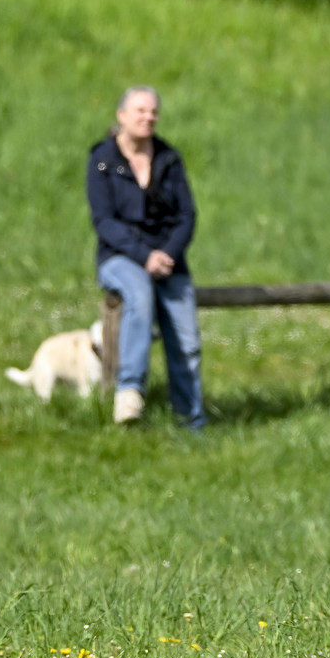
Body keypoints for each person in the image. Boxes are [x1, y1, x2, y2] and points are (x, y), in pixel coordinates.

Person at [86, 86, 204, 429]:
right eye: (140, 111)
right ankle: (130, 391)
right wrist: (143, 255)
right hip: (120, 256)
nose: (148, 117)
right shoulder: (103, 160)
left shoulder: (169, 158)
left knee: (187, 341)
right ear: (122, 115)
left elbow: (187, 216)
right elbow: (103, 221)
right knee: (139, 294)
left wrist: (166, 254)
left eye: (153, 112)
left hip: (168, 260)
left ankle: (192, 422)